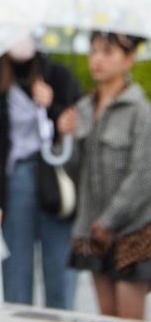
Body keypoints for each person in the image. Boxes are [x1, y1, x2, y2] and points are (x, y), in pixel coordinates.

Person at [0, 36, 82, 309]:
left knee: (60, 270)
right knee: (15, 272)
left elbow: (77, 125)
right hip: (14, 180)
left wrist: (54, 108)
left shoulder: (57, 75)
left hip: (54, 179)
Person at [58, 31, 151, 320]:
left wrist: (110, 220)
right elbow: (74, 170)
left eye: (107, 52)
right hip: (93, 228)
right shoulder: (84, 107)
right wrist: (67, 137)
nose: (97, 59)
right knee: (106, 316)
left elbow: (144, 175)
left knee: (129, 315)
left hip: (134, 230)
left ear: (129, 59)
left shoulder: (140, 111)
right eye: (94, 51)